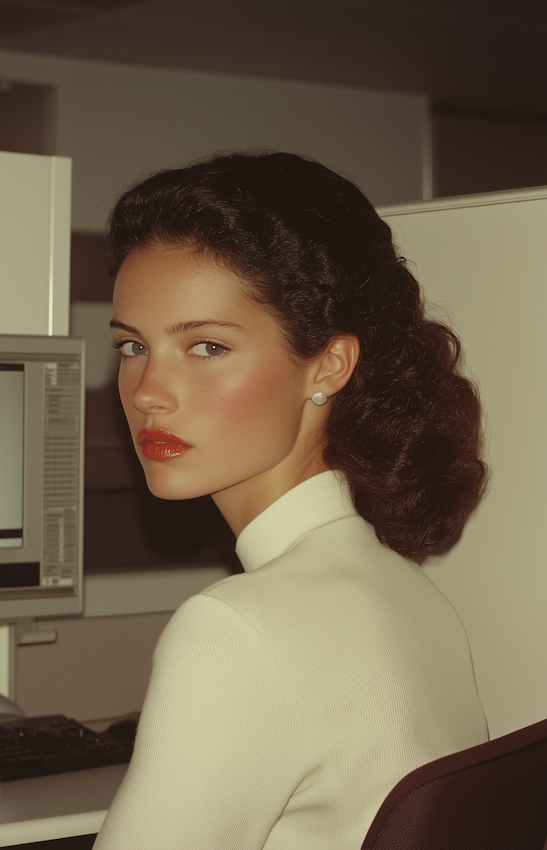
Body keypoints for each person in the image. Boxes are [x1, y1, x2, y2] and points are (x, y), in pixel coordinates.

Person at [93, 151, 489, 850]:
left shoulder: (231, 629)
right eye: (131, 347)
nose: (148, 390)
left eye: (206, 346)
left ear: (328, 365)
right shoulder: (409, 592)